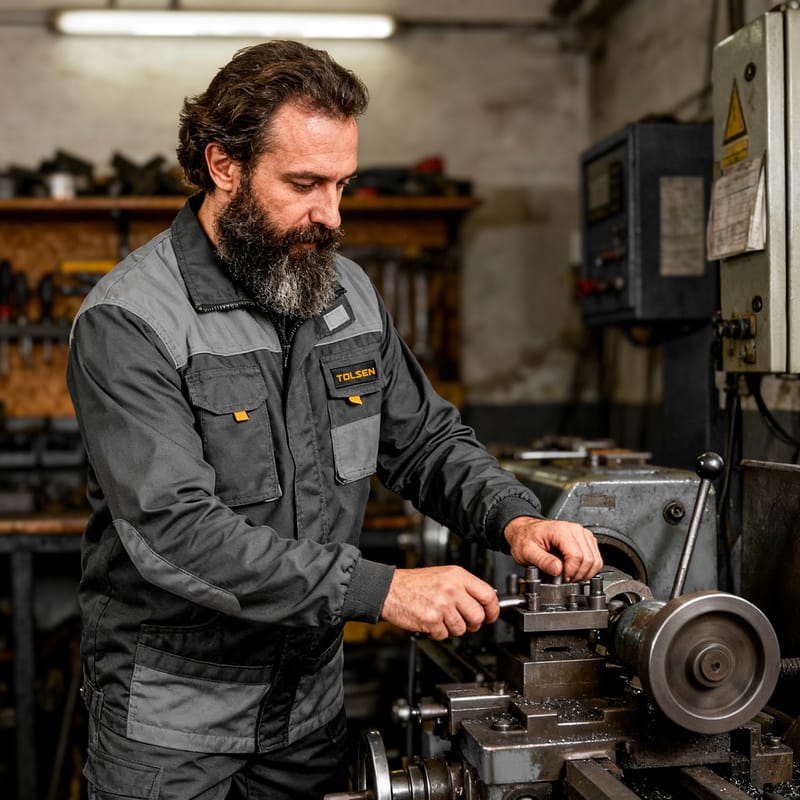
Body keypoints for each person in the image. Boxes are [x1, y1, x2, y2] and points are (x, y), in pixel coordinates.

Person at [67, 40, 602, 800]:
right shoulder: (130, 322)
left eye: (343, 184)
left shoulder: (344, 291)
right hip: (173, 728)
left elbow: (423, 440)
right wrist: (384, 591)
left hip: (308, 711)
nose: (332, 216)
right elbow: (174, 533)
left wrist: (513, 518)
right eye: (305, 184)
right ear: (224, 166)